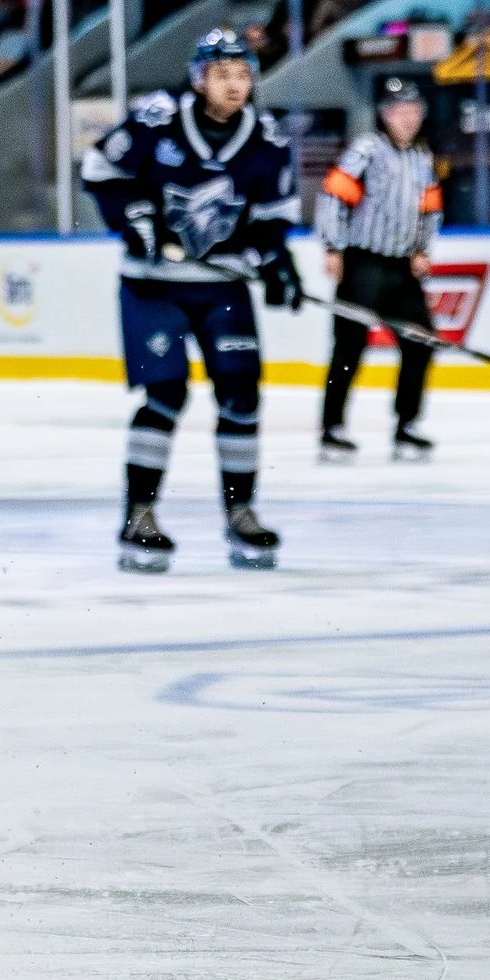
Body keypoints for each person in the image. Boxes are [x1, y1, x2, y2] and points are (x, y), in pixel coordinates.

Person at [79, 28, 304, 574]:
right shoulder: (158, 120)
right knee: (165, 393)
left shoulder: (267, 139)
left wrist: (274, 259)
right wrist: (134, 218)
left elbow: (276, 213)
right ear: (200, 77)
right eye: (223, 75)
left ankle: (242, 513)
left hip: (221, 285)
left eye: (243, 74)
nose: (235, 85)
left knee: (241, 394)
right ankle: (139, 516)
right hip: (153, 283)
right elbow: (99, 170)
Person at [317, 75, 442, 460]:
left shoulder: (423, 158)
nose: (408, 118)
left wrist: (422, 249)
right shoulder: (366, 150)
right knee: (349, 346)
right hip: (363, 264)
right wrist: (333, 247)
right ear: (385, 115)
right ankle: (332, 428)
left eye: (413, 110)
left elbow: (430, 209)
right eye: (399, 111)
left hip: (402, 269)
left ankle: (407, 425)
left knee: (420, 342)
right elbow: (334, 196)